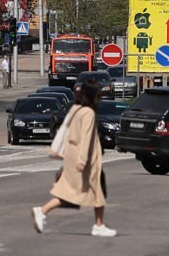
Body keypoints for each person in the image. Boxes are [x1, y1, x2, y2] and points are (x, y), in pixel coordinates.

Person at [32, 81, 114, 237]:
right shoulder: (88, 113)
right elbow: (86, 137)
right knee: (77, 192)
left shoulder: (75, 109)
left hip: (71, 156)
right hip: (84, 159)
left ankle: (99, 224)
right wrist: (83, 160)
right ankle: (42, 211)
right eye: (98, 96)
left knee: (88, 191)